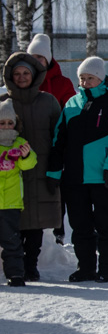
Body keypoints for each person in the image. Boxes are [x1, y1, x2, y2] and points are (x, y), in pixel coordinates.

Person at [49, 56, 108, 283]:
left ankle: (107, 269)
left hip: (103, 177)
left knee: (107, 224)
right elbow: (58, 140)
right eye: (82, 78)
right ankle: (85, 268)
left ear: (100, 78)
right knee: (80, 226)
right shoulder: (71, 104)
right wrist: (55, 172)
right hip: (74, 179)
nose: (85, 82)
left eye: (90, 78)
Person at [3, 52, 61, 281]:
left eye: (26, 72)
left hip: (42, 168)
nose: (21, 77)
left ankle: (31, 265)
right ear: (10, 76)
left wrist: (57, 167)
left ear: (34, 74)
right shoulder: (3, 103)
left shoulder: (48, 101)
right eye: (16, 73)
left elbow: (59, 136)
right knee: (15, 220)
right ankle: (16, 266)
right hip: (9, 174)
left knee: (38, 219)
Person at [0, 99, 39, 286]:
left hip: (11, 202)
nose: (7, 126)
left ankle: (15, 274)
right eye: (2, 123)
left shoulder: (20, 143)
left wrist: (26, 155)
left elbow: (29, 164)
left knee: (12, 241)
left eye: (10, 123)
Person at [25, 34, 75, 106]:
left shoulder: (63, 84)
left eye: (39, 57)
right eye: (32, 57)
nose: (35, 61)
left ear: (47, 60)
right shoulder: (23, 81)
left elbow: (72, 110)